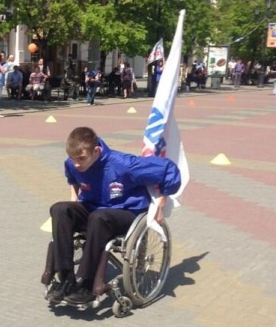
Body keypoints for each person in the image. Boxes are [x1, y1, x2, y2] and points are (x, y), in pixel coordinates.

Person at [44, 127, 181, 305]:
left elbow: (169, 170)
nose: (76, 163)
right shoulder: (73, 163)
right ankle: (65, 277)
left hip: (126, 213)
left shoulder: (124, 164)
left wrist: (160, 206)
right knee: (60, 210)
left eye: (81, 159)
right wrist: (74, 199)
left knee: (98, 217)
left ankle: (86, 283)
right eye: (72, 158)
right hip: (94, 209)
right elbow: (73, 178)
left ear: (96, 151)